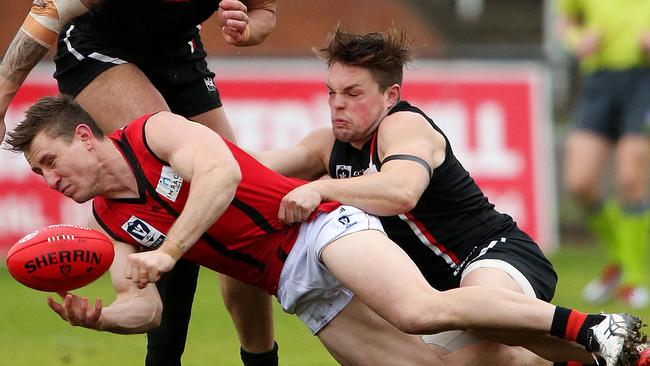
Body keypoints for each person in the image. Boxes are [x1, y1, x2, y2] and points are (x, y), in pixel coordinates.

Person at [6, 95, 647, 366]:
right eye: (38, 172)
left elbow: (221, 174)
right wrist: (101, 318)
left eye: (51, 161)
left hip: (319, 227)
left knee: (419, 310)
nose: (50, 178)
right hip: (293, 286)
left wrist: (170, 251)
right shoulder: (109, 221)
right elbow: (143, 307)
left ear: (84, 137)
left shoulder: (153, 132)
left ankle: (593, 327)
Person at [250, 26, 633, 366]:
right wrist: (198, 153)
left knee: (486, 319)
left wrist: (320, 186)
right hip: (440, 295)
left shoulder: (404, 125)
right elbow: (255, 167)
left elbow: (401, 191)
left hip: (495, 253)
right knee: (468, 357)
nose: (337, 104)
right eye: (331, 92)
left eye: (353, 93)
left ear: (391, 95)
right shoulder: (326, 145)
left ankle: (606, 335)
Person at [0, 1, 280, 365]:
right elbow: (49, 10)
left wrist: (247, 29)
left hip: (178, 51)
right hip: (99, 48)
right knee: (172, 188)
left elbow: (265, 12)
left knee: (233, 205)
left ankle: (261, 360)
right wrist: (3, 94)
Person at [556, 0, 650, 308]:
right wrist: (577, 41)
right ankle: (624, 260)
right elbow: (567, 22)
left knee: (629, 178)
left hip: (644, 78)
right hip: (599, 80)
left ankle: (635, 278)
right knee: (579, 183)